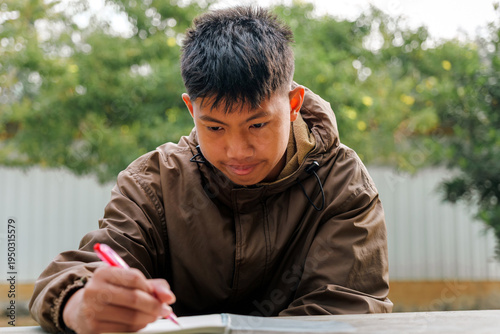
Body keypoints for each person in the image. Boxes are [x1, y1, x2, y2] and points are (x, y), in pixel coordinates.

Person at [29, 6, 392, 334]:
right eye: (215, 128)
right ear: (192, 110)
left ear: (293, 104)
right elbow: (80, 271)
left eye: (258, 125)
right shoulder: (153, 183)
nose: (237, 151)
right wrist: (78, 304)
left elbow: (345, 307)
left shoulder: (344, 183)